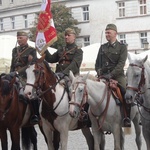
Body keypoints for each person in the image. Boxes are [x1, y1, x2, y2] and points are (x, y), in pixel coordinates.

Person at [95, 23, 131, 127]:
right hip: (103, 76)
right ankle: (89, 117)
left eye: (109, 32)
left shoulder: (122, 47)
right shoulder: (102, 47)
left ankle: (126, 117)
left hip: (117, 76)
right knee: (90, 91)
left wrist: (111, 75)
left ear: (115, 33)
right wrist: (99, 72)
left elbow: (121, 64)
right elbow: (97, 64)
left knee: (125, 93)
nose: (107, 34)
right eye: (106, 32)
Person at [10, 30, 40, 124]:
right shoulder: (15, 50)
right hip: (14, 75)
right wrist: (10, 74)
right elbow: (12, 64)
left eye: (21, 38)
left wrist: (17, 72)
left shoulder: (32, 50)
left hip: (26, 76)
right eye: (17, 38)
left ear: (26, 39)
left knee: (30, 94)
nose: (18, 40)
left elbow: (30, 65)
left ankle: (35, 114)